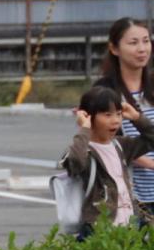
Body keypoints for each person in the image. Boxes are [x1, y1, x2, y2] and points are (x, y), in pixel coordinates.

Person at [64, 86, 154, 238]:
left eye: (118, 114)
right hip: (99, 231)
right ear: (88, 116)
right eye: (107, 115)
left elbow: (151, 139)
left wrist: (137, 118)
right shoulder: (85, 150)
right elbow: (75, 162)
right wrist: (84, 129)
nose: (115, 121)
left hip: (129, 228)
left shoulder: (120, 145)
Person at [94, 17, 154, 219]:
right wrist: (150, 163)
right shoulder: (104, 91)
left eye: (146, 41)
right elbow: (106, 144)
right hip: (130, 195)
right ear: (114, 48)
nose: (142, 49)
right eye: (133, 42)